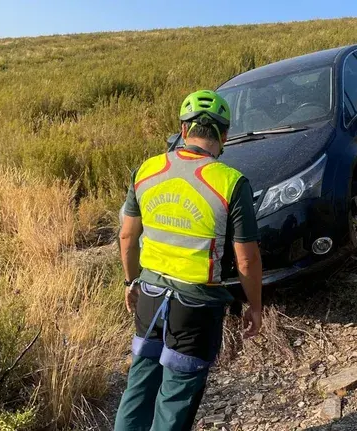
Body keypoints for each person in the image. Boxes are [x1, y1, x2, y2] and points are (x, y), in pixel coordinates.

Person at [114, 90, 263, 431]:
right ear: (224, 136)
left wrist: (130, 281)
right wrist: (255, 305)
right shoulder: (230, 182)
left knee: (138, 389)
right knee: (175, 402)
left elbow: (127, 236)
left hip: (150, 296)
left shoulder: (146, 170)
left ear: (183, 129)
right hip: (195, 307)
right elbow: (247, 258)